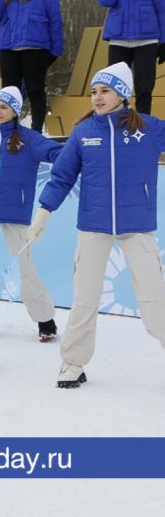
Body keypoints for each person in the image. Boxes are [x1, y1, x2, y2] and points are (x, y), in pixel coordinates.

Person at [30, 62, 165, 388]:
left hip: (137, 226)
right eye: (93, 92)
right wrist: (44, 212)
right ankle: (72, 364)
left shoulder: (149, 128)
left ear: (122, 93)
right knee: (85, 300)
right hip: (93, 226)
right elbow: (62, 176)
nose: (97, 97)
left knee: (154, 299)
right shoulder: (83, 132)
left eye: (105, 91)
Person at [0, 86, 62, 340]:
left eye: (5, 107)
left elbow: (59, 153)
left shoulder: (29, 138)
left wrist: (83, 152)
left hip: (16, 212)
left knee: (26, 266)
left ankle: (45, 319)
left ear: (15, 111)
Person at [0, 0, 63, 133]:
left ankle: (36, 130)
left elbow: (56, 22)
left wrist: (55, 51)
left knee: (36, 90)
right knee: (9, 92)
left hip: (35, 49)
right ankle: (8, 130)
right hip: (9, 49)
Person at [97, 0, 165, 114]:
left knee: (144, 88)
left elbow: (162, 10)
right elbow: (105, 0)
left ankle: (142, 127)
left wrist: (164, 40)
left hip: (146, 41)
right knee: (116, 88)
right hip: (118, 41)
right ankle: (119, 124)